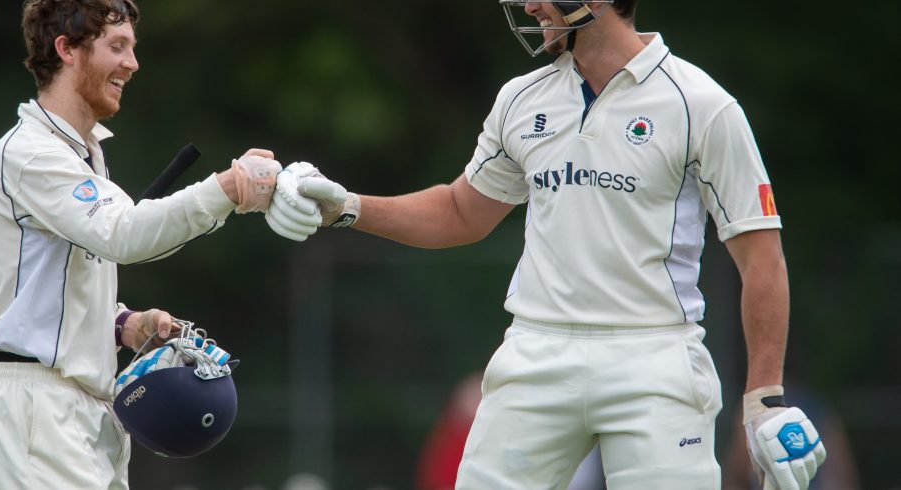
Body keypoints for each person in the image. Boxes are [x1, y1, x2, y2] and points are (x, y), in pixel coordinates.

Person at [267, 1, 826, 488]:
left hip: (655, 357)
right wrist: (345, 207)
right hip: (537, 352)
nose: (531, 6)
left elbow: (761, 258)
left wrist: (764, 400)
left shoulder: (701, 104)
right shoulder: (520, 99)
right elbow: (462, 211)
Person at [0, 1, 305, 488]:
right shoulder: (30, 153)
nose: (132, 63)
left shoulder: (84, 153)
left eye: (132, 48)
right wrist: (227, 188)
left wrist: (123, 325)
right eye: (117, 47)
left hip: (88, 406)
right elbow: (124, 233)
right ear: (66, 50)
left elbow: (54, 288)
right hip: (37, 406)